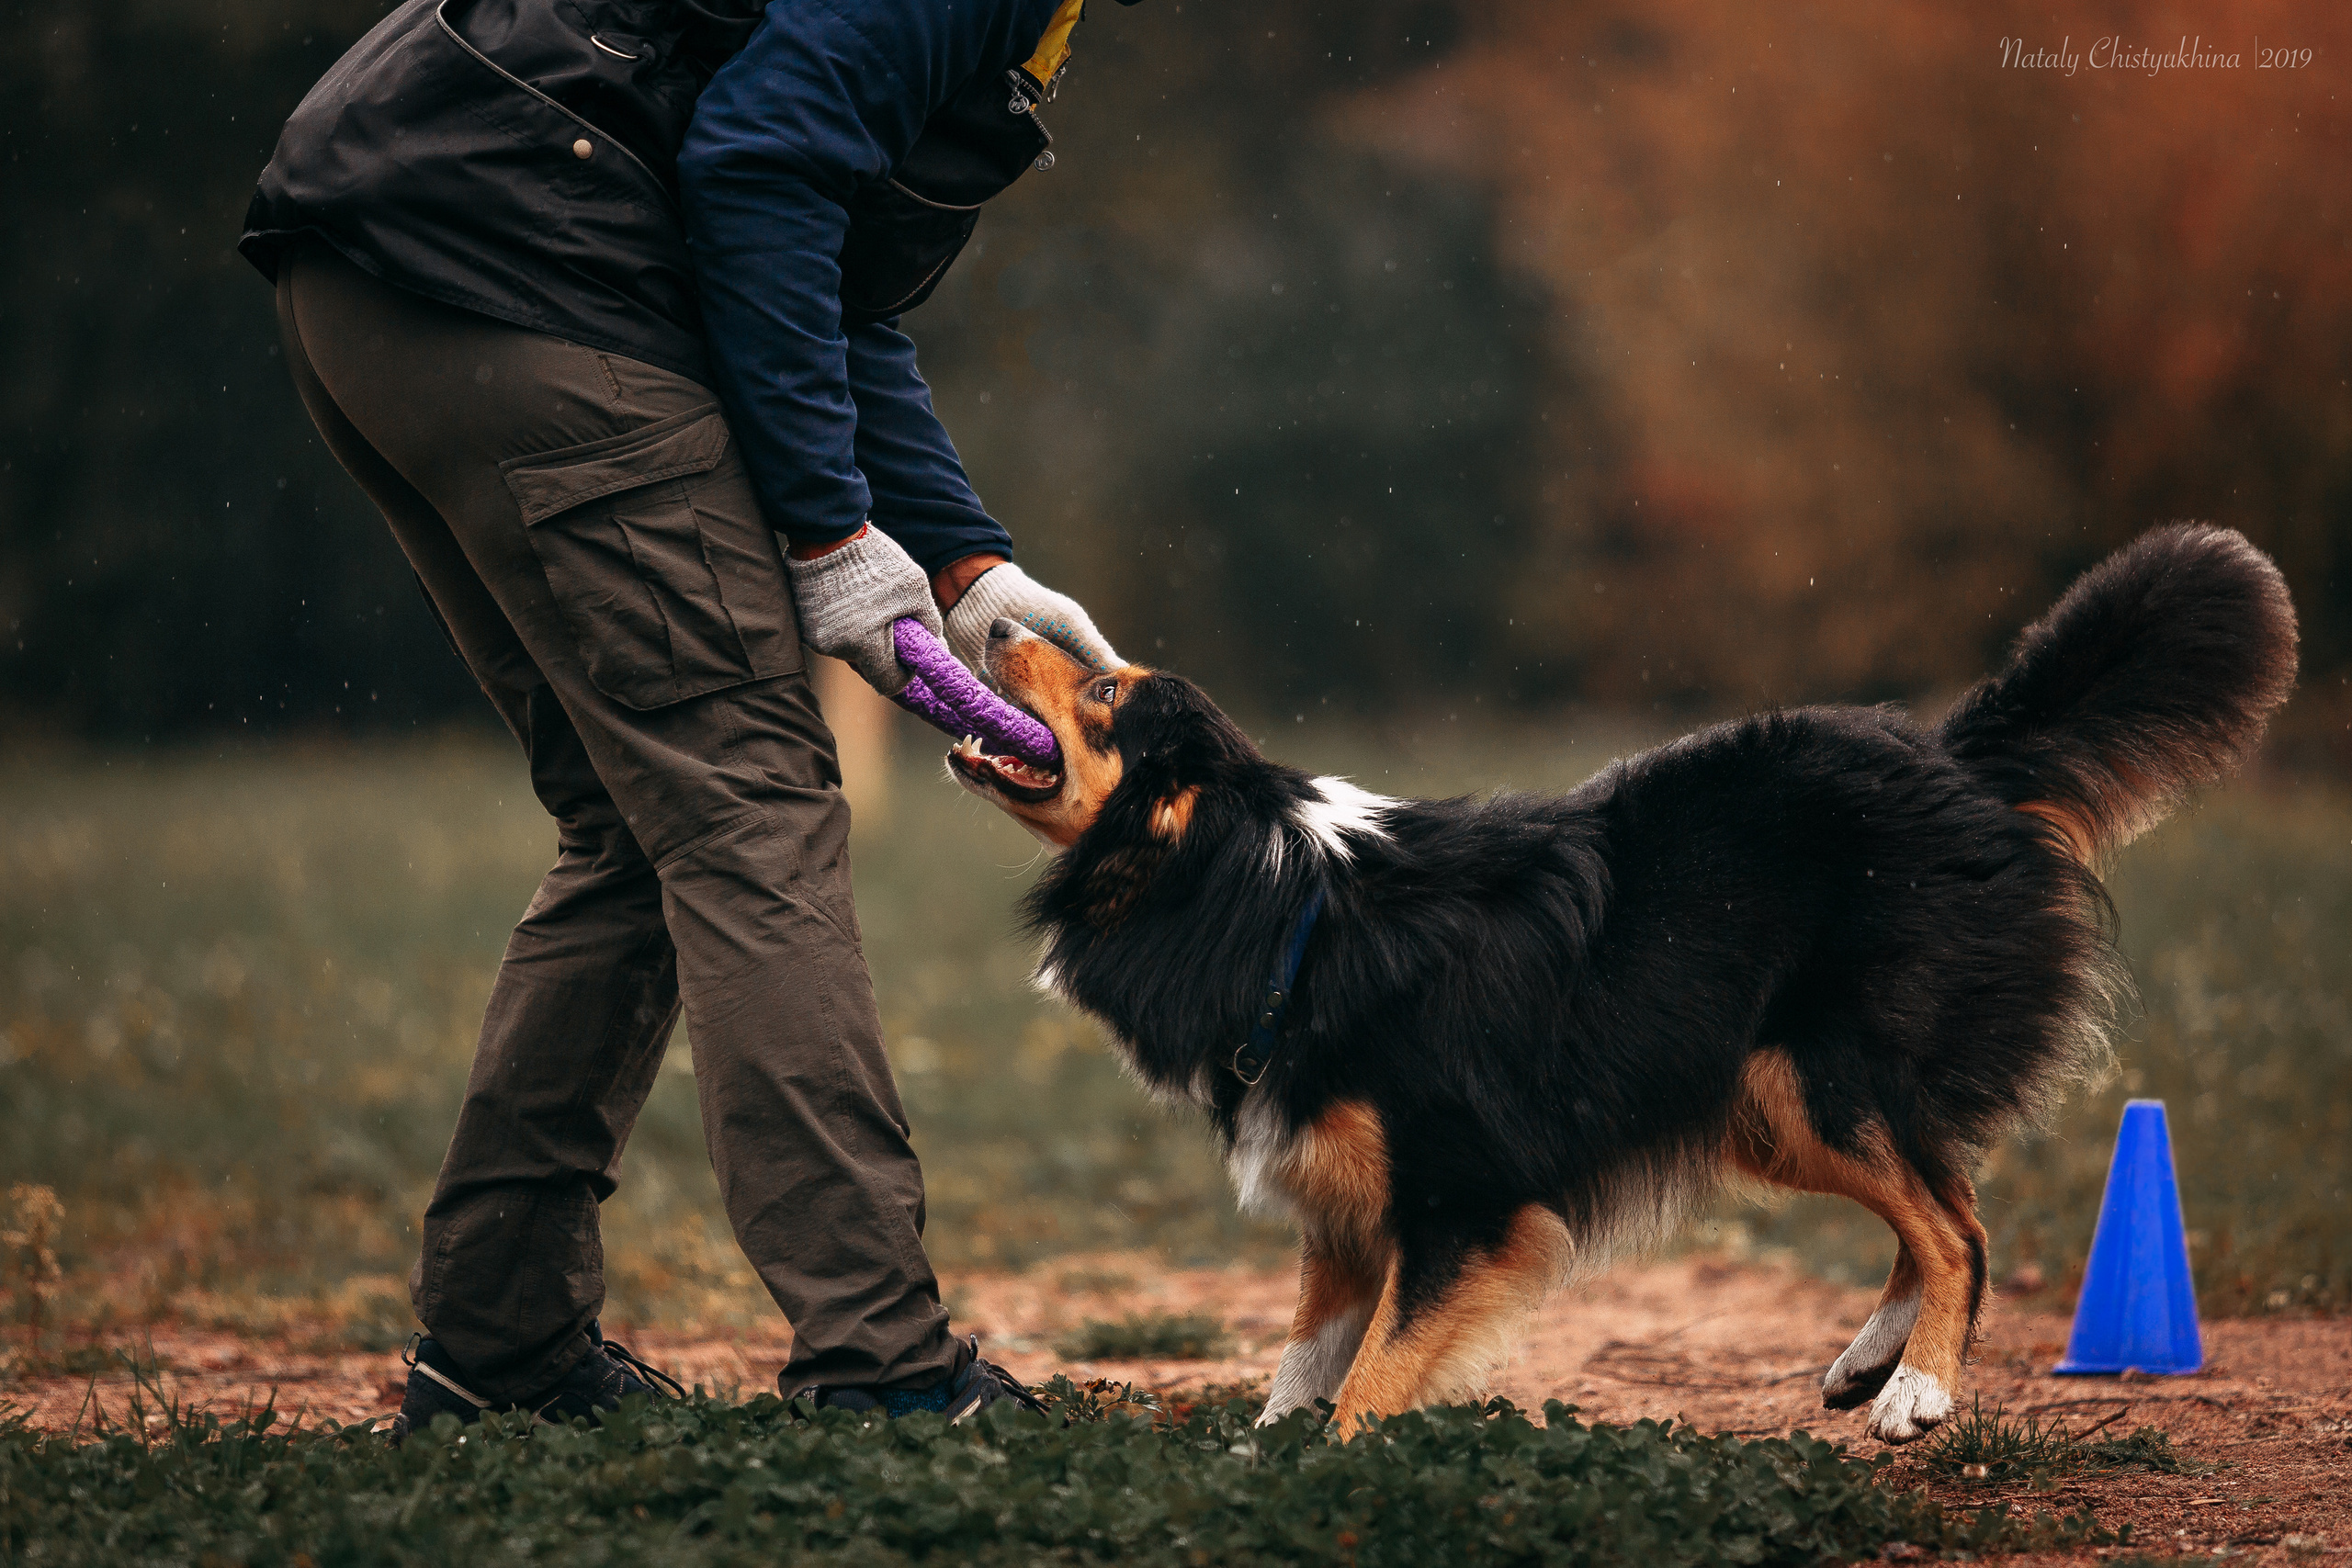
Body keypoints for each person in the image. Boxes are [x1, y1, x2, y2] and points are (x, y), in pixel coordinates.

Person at [239, 0, 1134, 1435]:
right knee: (749, 811)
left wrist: (967, 563)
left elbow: (820, 275)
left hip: (383, 266)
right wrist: (831, 531)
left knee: (633, 820)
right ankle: (883, 1369)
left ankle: (499, 1349)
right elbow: (765, 171)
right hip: (526, 275)